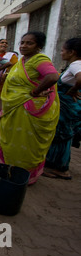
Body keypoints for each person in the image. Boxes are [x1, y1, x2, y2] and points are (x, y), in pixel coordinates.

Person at [0, 32, 60, 185]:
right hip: (16, 107)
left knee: (25, 144)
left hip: (28, 110)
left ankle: (23, 175)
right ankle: (11, 169)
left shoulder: (39, 60)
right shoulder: (23, 61)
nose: (24, 46)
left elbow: (52, 76)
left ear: (38, 46)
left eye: (29, 43)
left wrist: (35, 91)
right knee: (12, 140)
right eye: (22, 42)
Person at [44, 37, 81, 180]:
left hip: (67, 107)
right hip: (68, 106)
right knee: (63, 135)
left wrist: (73, 90)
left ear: (72, 52)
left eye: (63, 50)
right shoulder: (74, 65)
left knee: (61, 135)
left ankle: (59, 168)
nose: (61, 53)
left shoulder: (76, 64)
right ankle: (58, 165)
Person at [0, 39, 18, 140]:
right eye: (1, 42)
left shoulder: (11, 57)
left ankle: (0, 133)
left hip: (3, 87)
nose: (4, 44)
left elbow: (14, 69)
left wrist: (5, 74)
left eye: (6, 43)